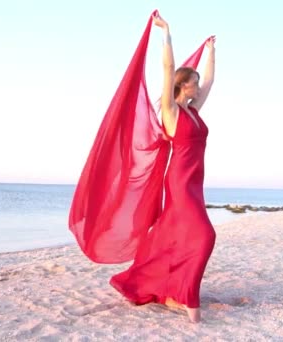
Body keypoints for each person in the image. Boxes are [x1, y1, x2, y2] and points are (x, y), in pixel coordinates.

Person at [109, 11, 217, 323]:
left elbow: (210, 80)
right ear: (183, 86)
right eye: (193, 82)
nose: (198, 86)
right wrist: (166, 34)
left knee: (179, 238)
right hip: (181, 183)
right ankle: (189, 302)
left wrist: (211, 51)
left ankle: (171, 294)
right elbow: (168, 69)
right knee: (204, 236)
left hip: (195, 183)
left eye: (197, 82)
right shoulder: (171, 112)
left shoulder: (195, 111)